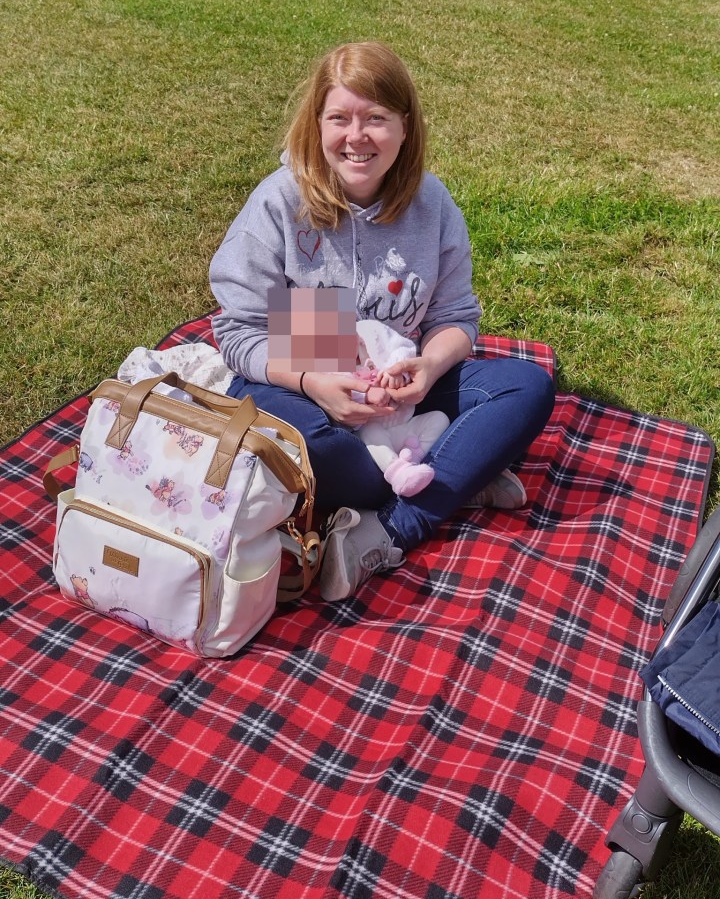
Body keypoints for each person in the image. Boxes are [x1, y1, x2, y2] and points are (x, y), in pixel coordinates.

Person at [210, 41, 555, 602]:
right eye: (339, 118)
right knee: (316, 450)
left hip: (399, 390)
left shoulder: (432, 203)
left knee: (528, 386)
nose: (356, 136)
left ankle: (386, 530)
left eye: (376, 119)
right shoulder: (277, 203)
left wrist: (428, 363)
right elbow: (238, 332)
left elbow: (455, 318)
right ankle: (457, 475)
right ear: (316, 123)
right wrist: (313, 382)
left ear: (405, 126)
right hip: (298, 377)